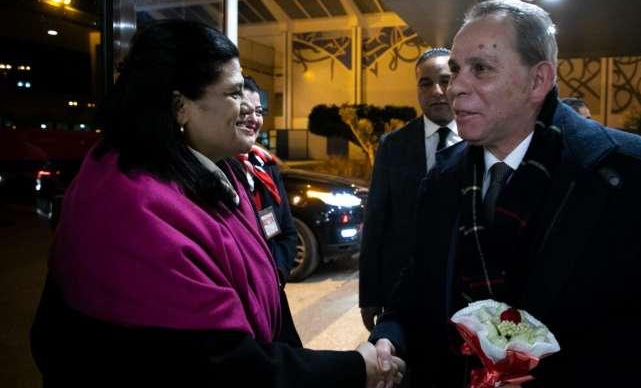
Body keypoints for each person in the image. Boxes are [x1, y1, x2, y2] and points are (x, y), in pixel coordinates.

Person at [29, 19, 403, 387]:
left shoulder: (212, 169)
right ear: (180, 107)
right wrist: (356, 368)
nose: (247, 108)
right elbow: (224, 367)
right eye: (233, 93)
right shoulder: (133, 207)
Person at [370, 0, 641, 388]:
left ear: (538, 80)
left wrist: (562, 378)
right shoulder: (442, 177)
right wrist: (390, 336)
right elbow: (417, 286)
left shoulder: (630, 172)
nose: (456, 88)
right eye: (456, 69)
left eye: (480, 69)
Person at [359, 48, 461, 331]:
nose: (437, 91)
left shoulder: (481, 138)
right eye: (425, 83)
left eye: (445, 80)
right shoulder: (393, 145)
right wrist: (369, 295)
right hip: (404, 288)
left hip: (463, 289)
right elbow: (376, 221)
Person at [237, 76, 302, 347]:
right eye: (244, 111)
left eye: (259, 111)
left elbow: (287, 233)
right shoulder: (215, 170)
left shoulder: (265, 166)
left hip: (273, 296)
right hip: (241, 308)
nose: (253, 119)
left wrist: (274, 275)